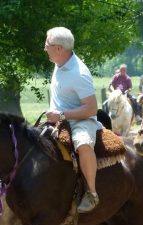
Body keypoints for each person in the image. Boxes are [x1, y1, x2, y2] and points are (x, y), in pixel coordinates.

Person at [44, 27, 100, 213]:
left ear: (59, 48)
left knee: (83, 145)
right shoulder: (59, 63)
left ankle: (91, 194)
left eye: (48, 44)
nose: (45, 48)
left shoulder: (79, 73)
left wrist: (61, 116)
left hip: (81, 121)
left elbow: (91, 108)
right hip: (57, 120)